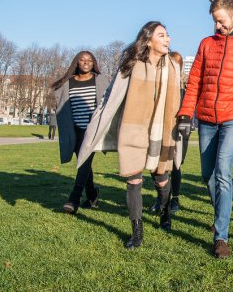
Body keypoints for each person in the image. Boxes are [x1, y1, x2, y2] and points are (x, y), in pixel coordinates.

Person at [77, 21, 183, 248]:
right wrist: (99, 119)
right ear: (149, 40)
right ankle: (137, 232)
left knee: (161, 178)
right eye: (162, 35)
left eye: (168, 35)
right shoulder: (132, 64)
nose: (168, 39)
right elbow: (112, 95)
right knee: (133, 179)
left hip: (161, 129)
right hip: (133, 127)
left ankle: (165, 212)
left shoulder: (173, 67)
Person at [177, 0, 233, 258]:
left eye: (221, 21)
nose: (217, 26)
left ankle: (221, 237)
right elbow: (194, 82)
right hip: (205, 117)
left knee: (224, 172)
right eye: (215, 21)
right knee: (208, 174)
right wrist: (184, 114)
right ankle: (221, 214)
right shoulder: (206, 44)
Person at [52, 51, 109, 214]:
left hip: (92, 130)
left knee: (83, 162)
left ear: (94, 63)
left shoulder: (100, 80)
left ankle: (73, 198)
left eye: (89, 60)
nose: (86, 62)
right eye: (82, 60)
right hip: (74, 130)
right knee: (85, 165)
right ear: (76, 63)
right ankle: (92, 196)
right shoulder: (68, 83)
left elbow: (108, 103)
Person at [150, 51, 188, 214]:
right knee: (158, 164)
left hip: (178, 129)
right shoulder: (160, 79)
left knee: (175, 165)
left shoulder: (185, 84)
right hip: (161, 127)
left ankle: (174, 199)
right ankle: (161, 198)